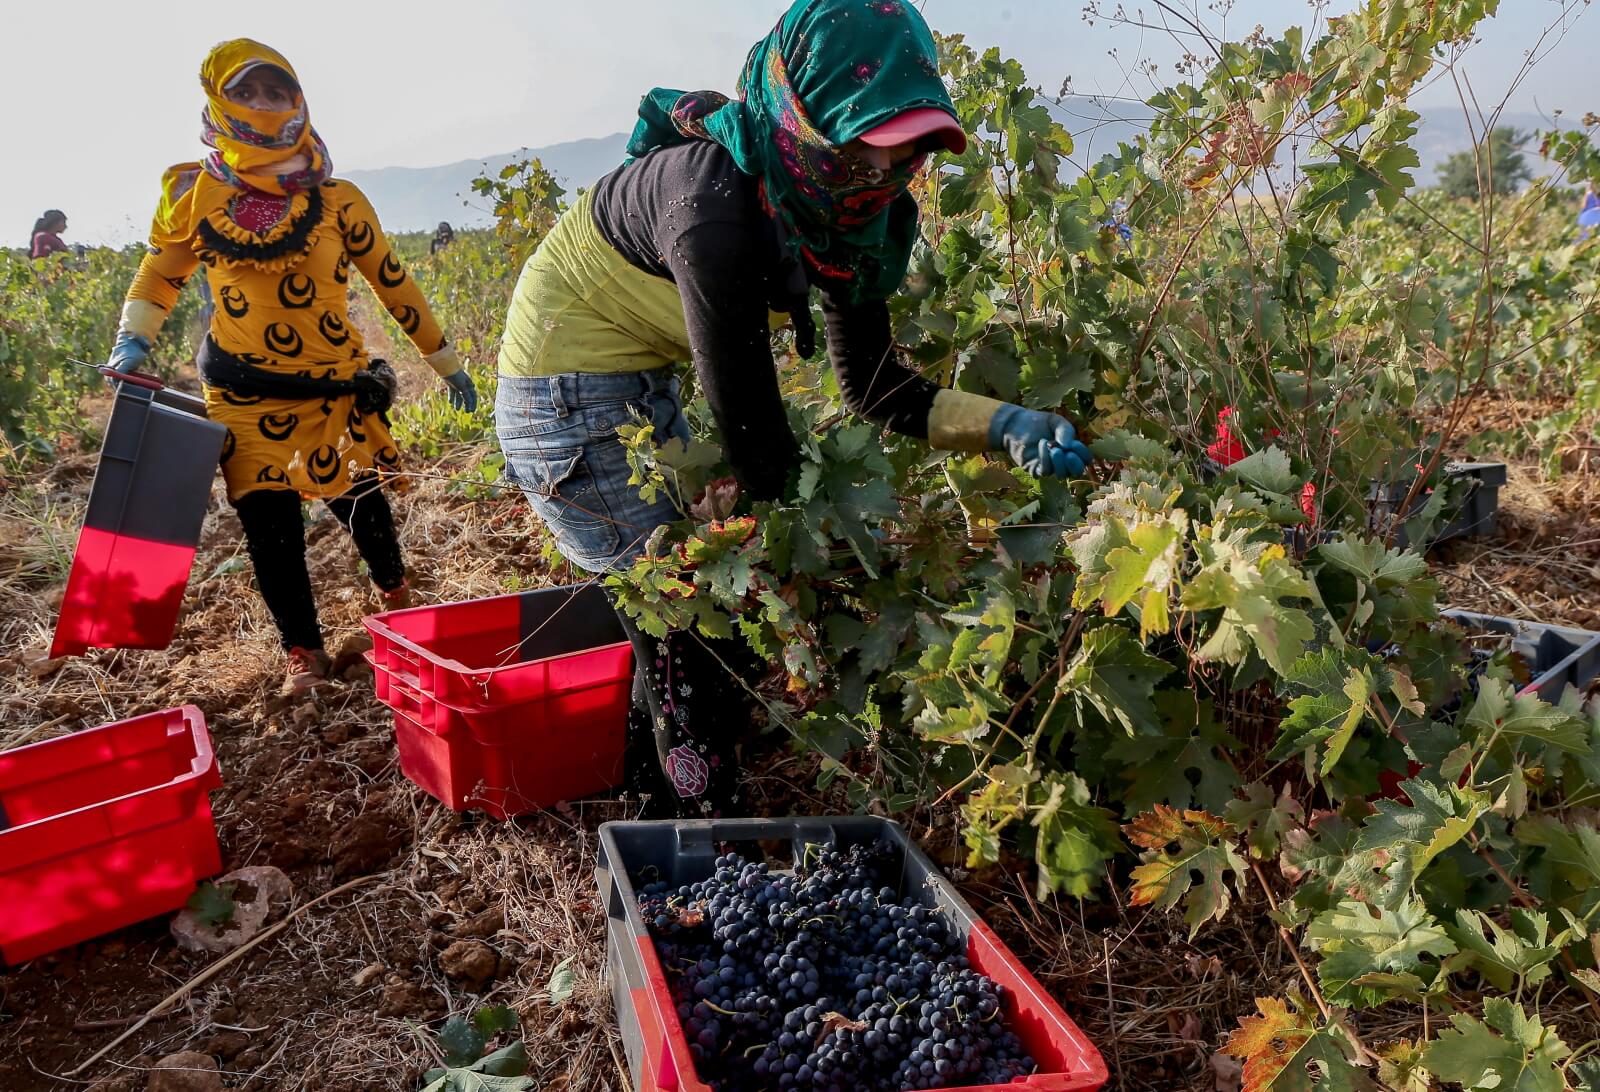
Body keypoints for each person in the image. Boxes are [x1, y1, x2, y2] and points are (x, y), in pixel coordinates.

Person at [494, 0, 1090, 816]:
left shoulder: (848, 223)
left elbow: (874, 386)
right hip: (560, 392)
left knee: (679, 604)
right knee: (684, 616)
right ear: (801, 121)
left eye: (906, 156)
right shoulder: (718, 207)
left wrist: (1006, 425)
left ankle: (646, 785)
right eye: (864, 153)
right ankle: (702, 839)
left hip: (640, 382)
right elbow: (754, 437)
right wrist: (829, 571)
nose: (884, 179)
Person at [106, 39, 479, 692]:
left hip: (335, 390)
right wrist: (132, 339)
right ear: (218, 99)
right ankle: (303, 656)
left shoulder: (338, 199)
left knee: (364, 507)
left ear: (298, 101)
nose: (263, 105)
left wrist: (445, 362)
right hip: (243, 394)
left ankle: (403, 610)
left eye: (276, 92)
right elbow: (162, 272)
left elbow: (393, 283)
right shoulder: (192, 194)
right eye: (246, 92)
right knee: (268, 525)